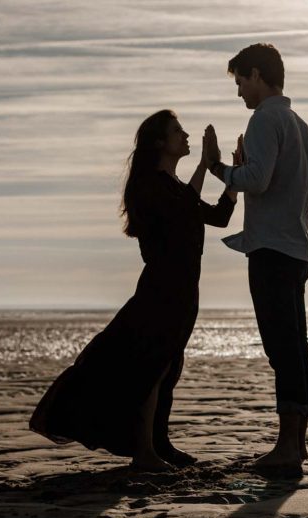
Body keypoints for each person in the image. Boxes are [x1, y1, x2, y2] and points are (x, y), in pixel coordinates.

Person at [30, 110, 238, 472]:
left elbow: (220, 217)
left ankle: (159, 443)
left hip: (185, 291)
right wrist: (205, 165)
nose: (186, 135)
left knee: (169, 367)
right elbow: (180, 211)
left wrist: (235, 179)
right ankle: (144, 453)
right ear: (159, 142)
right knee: (151, 367)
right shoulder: (148, 186)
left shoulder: (174, 186)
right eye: (177, 131)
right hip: (160, 290)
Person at [204, 43, 308, 473]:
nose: (238, 92)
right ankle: (297, 444)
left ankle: (288, 447)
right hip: (297, 246)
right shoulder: (300, 125)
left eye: (239, 82)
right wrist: (244, 168)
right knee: (295, 346)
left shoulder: (265, 119)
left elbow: (259, 179)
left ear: (255, 74)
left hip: (273, 247)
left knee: (281, 347)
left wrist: (218, 168)